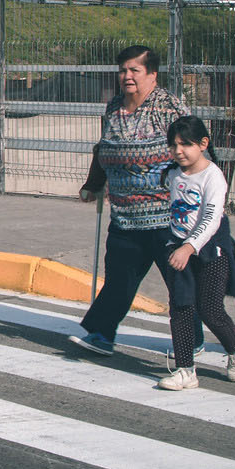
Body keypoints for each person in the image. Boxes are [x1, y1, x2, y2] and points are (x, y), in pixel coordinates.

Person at [72, 45, 186, 359]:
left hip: (167, 216)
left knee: (180, 285)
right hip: (126, 214)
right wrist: (93, 184)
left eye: (134, 70)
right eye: (123, 70)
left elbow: (193, 152)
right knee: (120, 280)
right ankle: (102, 334)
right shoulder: (113, 108)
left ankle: (192, 340)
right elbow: (104, 148)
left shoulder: (168, 107)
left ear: (152, 74)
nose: (127, 76)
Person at [156, 115, 235, 390]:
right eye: (173, 145)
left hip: (210, 250)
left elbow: (211, 219)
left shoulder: (213, 177)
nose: (178, 151)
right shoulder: (173, 173)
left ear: (203, 143)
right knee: (181, 307)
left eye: (185, 144)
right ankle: (185, 370)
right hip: (178, 246)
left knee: (210, 309)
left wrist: (189, 247)